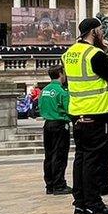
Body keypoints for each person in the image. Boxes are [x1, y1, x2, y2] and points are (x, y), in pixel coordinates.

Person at [61, 17, 108, 214]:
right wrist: (105, 50)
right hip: (97, 113)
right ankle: (94, 203)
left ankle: (80, 203)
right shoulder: (95, 54)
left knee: (81, 158)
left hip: (77, 112)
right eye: (100, 30)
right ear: (93, 32)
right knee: (95, 160)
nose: (103, 34)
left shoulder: (69, 53)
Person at [39, 65, 73, 196]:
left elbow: (40, 107)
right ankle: (59, 184)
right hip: (60, 124)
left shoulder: (45, 90)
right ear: (60, 74)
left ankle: (50, 184)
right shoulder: (62, 92)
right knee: (59, 155)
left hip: (47, 124)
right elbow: (69, 109)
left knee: (49, 155)